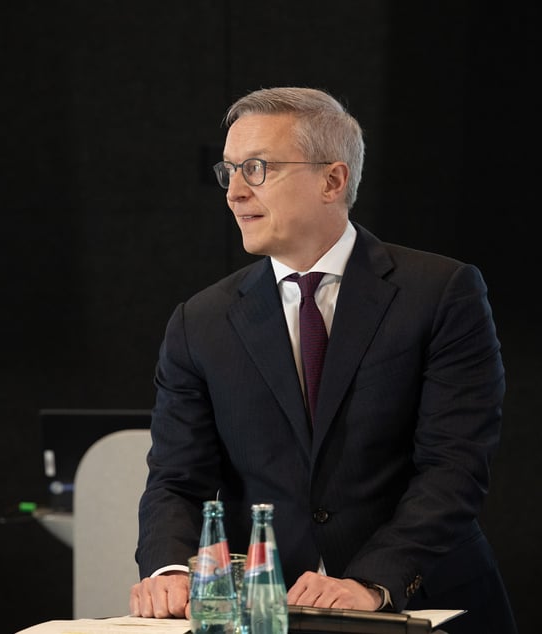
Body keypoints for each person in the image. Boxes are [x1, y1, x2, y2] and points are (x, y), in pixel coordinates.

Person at [129, 87, 516, 633]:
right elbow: (175, 478)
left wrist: (372, 580)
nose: (235, 192)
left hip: (420, 601)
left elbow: (454, 465)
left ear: (332, 180)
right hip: (269, 611)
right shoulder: (200, 321)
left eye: (257, 169)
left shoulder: (442, 292)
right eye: (229, 171)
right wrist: (170, 567)